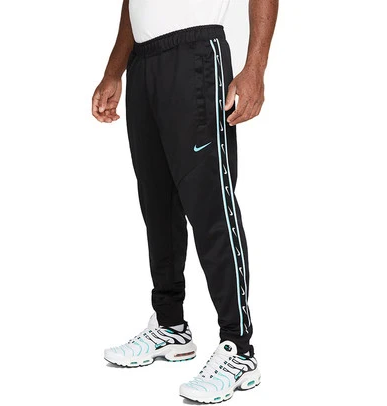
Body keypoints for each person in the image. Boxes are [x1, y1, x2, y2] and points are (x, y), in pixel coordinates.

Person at [92, 0, 278, 402]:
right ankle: (170, 326)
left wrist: (255, 69)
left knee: (210, 205)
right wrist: (113, 71)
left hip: (195, 54)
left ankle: (239, 349)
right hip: (143, 63)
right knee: (157, 205)